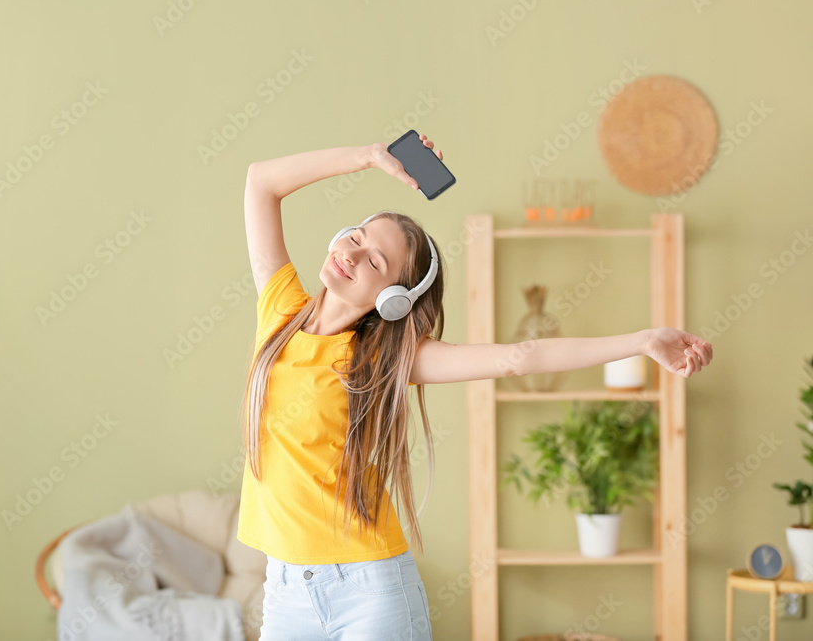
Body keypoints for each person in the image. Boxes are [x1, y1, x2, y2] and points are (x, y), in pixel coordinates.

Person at [235, 133, 713, 640]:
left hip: (368, 594)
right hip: (285, 591)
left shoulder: (383, 360)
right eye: (356, 237)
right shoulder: (279, 311)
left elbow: (517, 359)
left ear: (393, 299)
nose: (352, 255)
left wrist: (642, 340)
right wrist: (372, 156)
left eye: (375, 262)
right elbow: (261, 182)